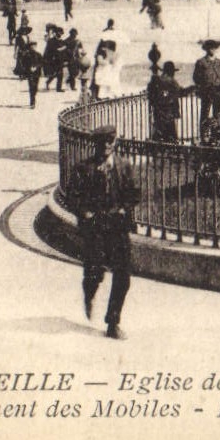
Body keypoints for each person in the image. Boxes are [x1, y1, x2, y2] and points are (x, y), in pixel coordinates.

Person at [67, 127, 137, 340]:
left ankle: (112, 322)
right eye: (102, 142)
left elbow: (133, 193)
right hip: (95, 228)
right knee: (95, 272)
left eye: (110, 140)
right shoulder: (83, 169)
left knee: (123, 275)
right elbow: (73, 197)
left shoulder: (123, 166)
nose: (106, 145)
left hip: (117, 226)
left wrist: (126, 207)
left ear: (115, 141)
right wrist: (85, 214)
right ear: (94, 144)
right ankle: (89, 290)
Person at [192, 39, 220, 136]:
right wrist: (203, 86)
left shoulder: (218, 62)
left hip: (218, 91)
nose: (213, 50)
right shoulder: (201, 62)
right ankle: (203, 135)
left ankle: (216, 135)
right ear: (206, 49)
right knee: (205, 114)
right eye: (211, 48)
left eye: (214, 48)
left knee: (218, 114)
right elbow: (196, 77)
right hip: (207, 92)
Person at [147, 61, 182, 143]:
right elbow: (180, 92)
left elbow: (151, 96)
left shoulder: (157, 80)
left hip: (159, 111)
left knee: (159, 132)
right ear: (171, 72)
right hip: (169, 111)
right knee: (171, 134)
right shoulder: (171, 81)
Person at [22, 39, 43, 108]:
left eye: (34, 46)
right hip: (30, 74)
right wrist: (28, 68)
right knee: (31, 87)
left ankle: (33, 97)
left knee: (35, 88)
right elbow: (23, 64)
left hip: (37, 74)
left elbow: (42, 63)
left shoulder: (38, 54)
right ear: (29, 47)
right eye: (32, 46)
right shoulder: (26, 55)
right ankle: (32, 102)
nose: (33, 47)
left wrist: (36, 67)